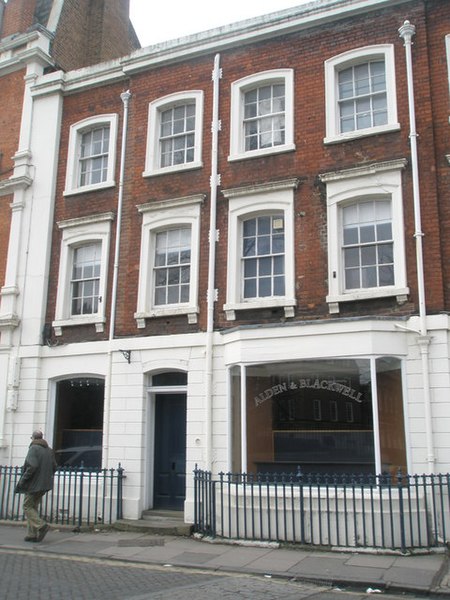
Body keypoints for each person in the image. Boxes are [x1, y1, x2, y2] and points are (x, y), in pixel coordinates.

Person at [15, 430, 57, 542]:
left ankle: (41, 525)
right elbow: (54, 466)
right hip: (44, 484)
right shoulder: (49, 450)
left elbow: (31, 467)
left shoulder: (34, 448)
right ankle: (31, 534)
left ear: (33, 438)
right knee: (33, 507)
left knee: (27, 506)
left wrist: (22, 481)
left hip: (33, 484)